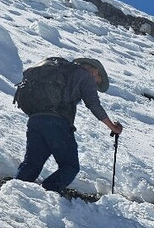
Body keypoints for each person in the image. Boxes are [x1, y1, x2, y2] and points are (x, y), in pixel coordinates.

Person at [15, 57, 123, 192]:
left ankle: (15, 192)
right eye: (96, 83)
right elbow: (93, 105)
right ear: (95, 72)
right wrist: (113, 127)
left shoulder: (61, 69)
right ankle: (47, 193)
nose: (94, 85)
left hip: (35, 119)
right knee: (70, 166)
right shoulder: (85, 75)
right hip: (57, 123)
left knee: (31, 164)